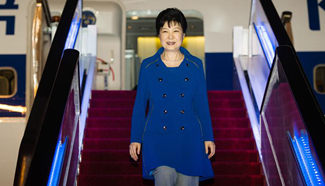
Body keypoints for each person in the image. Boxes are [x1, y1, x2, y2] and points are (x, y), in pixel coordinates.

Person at [129, 8, 215, 186]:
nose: (170, 36)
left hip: (189, 139)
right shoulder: (148, 66)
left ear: (183, 35)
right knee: (164, 176)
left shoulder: (195, 66)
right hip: (158, 138)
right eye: (165, 31)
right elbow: (139, 106)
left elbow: (202, 106)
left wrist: (209, 137)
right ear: (158, 35)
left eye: (175, 31)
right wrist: (135, 139)